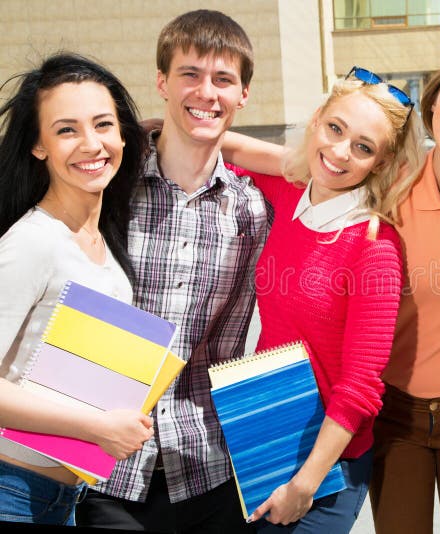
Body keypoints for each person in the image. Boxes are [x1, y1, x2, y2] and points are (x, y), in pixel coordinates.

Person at [220, 45, 440, 534]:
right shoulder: (393, 175)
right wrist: (183, 133)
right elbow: (291, 162)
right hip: (394, 409)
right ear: (434, 101)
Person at [76, 10, 269, 533]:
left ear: (243, 94)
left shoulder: (253, 211)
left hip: (206, 467)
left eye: (223, 79)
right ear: (162, 81)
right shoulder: (107, 187)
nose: (206, 92)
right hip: (104, 470)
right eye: (190, 74)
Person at [225, 65, 425, 533]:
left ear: (381, 163)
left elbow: (360, 387)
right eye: (335, 128)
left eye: (363, 147)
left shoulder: (375, 246)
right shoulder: (288, 194)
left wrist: (306, 483)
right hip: (262, 433)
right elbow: (221, 149)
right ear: (317, 119)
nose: (339, 152)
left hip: (326, 467)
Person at [0, 53, 153, 525]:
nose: (91, 144)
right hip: (13, 492)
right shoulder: (31, 243)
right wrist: (98, 427)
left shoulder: (100, 241)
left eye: (103, 124)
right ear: (38, 146)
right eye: (66, 130)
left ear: (123, 134)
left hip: (59, 499)